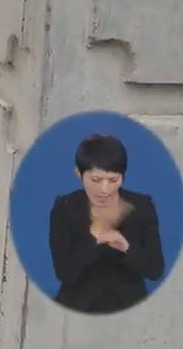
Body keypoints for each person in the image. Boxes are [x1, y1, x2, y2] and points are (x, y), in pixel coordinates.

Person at [49, 134, 165, 314]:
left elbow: (155, 270)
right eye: (96, 180)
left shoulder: (142, 206)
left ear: (122, 176)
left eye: (113, 180)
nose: (105, 189)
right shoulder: (65, 208)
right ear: (79, 174)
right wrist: (92, 242)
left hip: (129, 307)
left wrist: (126, 248)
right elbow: (64, 273)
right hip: (77, 308)